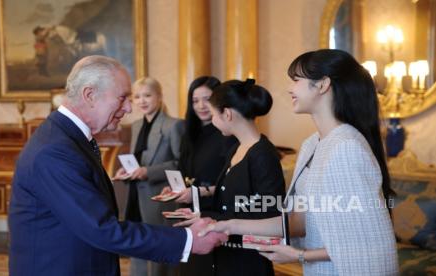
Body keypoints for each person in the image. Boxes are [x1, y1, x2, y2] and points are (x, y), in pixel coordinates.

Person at [8, 55, 228, 276]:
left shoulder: (66, 137)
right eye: (122, 98)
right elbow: (101, 229)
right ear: (89, 95)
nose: (129, 108)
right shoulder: (55, 151)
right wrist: (188, 240)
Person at [199, 49, 399, 275]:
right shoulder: (311, 144)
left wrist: (298, 255)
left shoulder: (346, 147)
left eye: (296, 80)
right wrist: (229, 225)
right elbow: (299, 221)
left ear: (323, 85)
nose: (290, 88)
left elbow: (365, 244)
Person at [174, 79, 286, 276]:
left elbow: (271, 215)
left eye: (214, 114)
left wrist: (215, 219)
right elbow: (229, 199)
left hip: (248, 260)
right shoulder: (237, 147)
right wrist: (202, 215)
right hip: (226, 254)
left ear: (227, 114)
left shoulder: (263, 155)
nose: (213, 121)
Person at [161, 76, 237, 276]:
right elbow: (184, 169)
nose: (201, 106)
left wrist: (197, 192)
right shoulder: (190, 132)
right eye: (195, 101)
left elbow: (231, 181)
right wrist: (174, 189)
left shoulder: (227, 133)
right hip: (188, 209)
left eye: (207, 99)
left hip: (214, 212)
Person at [113, 77, 183, 276]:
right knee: (138, 248)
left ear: (159, 97)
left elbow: (181, 164)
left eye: (147, 95)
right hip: (136, 196)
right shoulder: (136, 126)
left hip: (159, 198)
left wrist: (147, 172)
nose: (142, 101)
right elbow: (138, 160)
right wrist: (127, 172)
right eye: (137, 97)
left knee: (157, 254)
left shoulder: (174, 126)